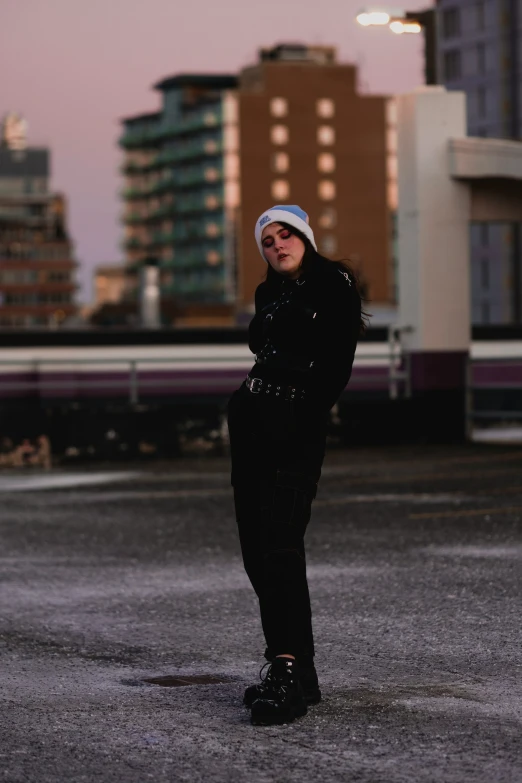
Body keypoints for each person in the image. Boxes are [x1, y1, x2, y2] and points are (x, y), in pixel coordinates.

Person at [227, 205, 365, 726]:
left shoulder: (334, 286)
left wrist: (296, 421)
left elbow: (335, 371)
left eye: (286, 235)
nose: (277, 245)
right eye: (267, 240)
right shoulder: (269, 294)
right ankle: (299, 673)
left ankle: (283, 670)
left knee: (281, 547)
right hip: (251, 429)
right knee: (256, 552)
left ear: (305, 238)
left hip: (293, 433)